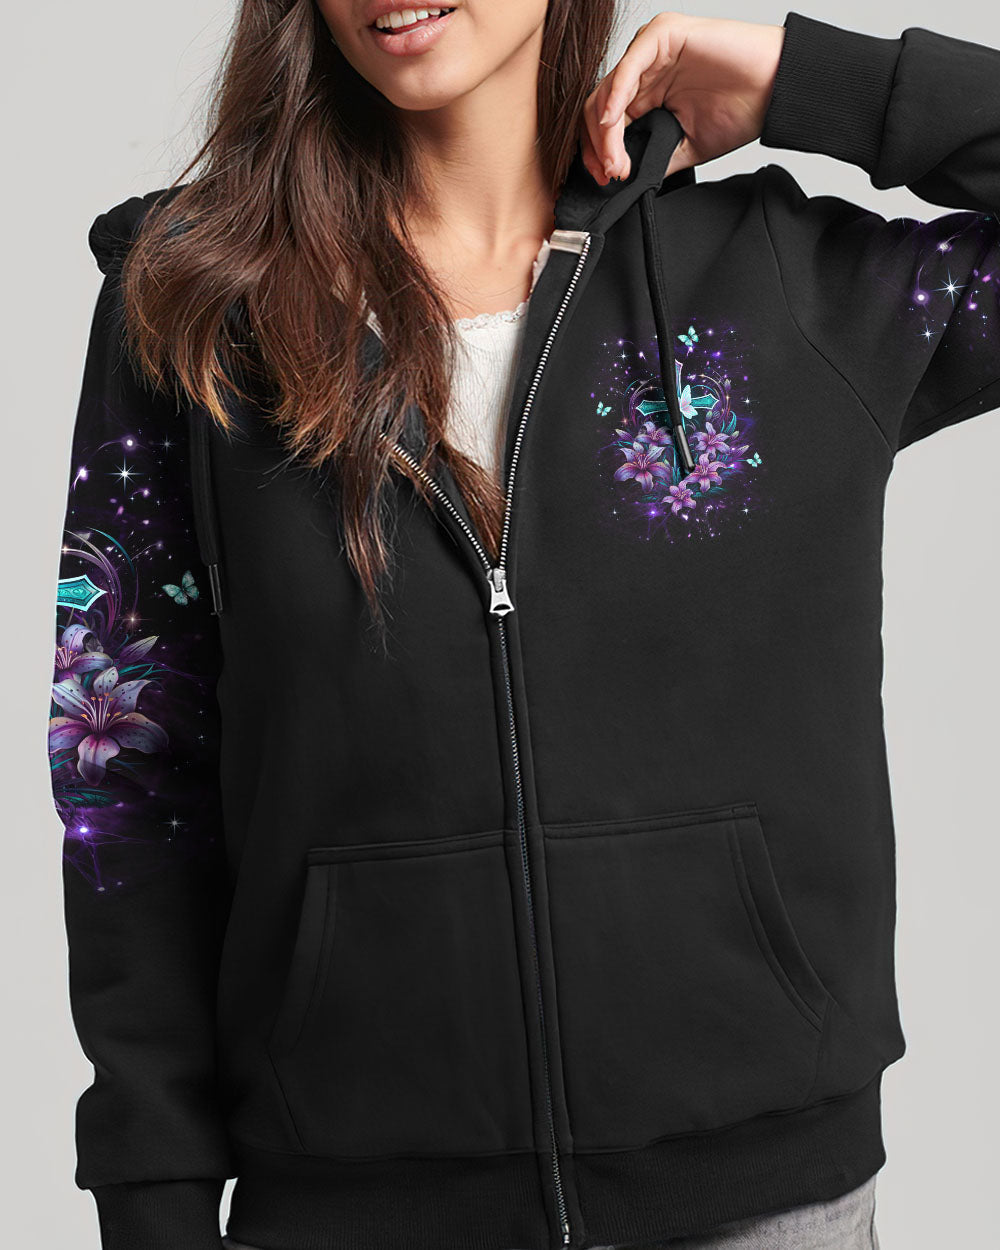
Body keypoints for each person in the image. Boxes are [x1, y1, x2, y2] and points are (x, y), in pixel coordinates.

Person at [47, 3, 998, 1248]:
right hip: (351, 1211)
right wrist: (153, 1194)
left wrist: (811, 79)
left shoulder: (779, 283)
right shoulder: (197, 313)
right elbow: (126, 769)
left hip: (758, 1205)